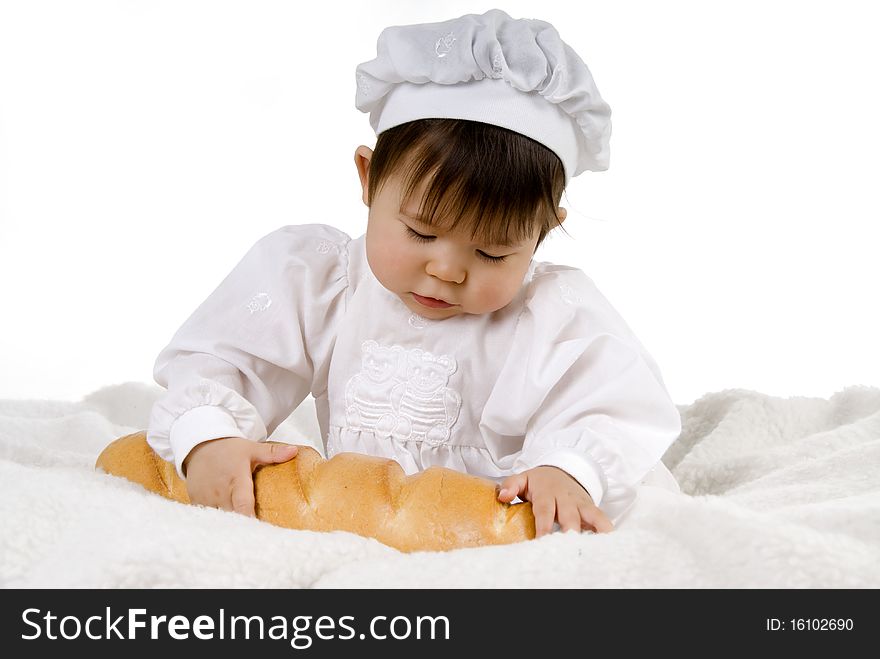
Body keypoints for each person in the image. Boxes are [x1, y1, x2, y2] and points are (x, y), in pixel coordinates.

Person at [146, 8, 682, 539]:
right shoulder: (322, 281)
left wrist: (570, 470)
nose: (445, 270)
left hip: (494, 535)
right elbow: (227, 356)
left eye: (493, 254)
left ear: (541, 233)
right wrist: (208, 435)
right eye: (421, 233)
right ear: (369, 177)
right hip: (362, 524)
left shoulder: (550, 315)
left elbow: (610, 404)